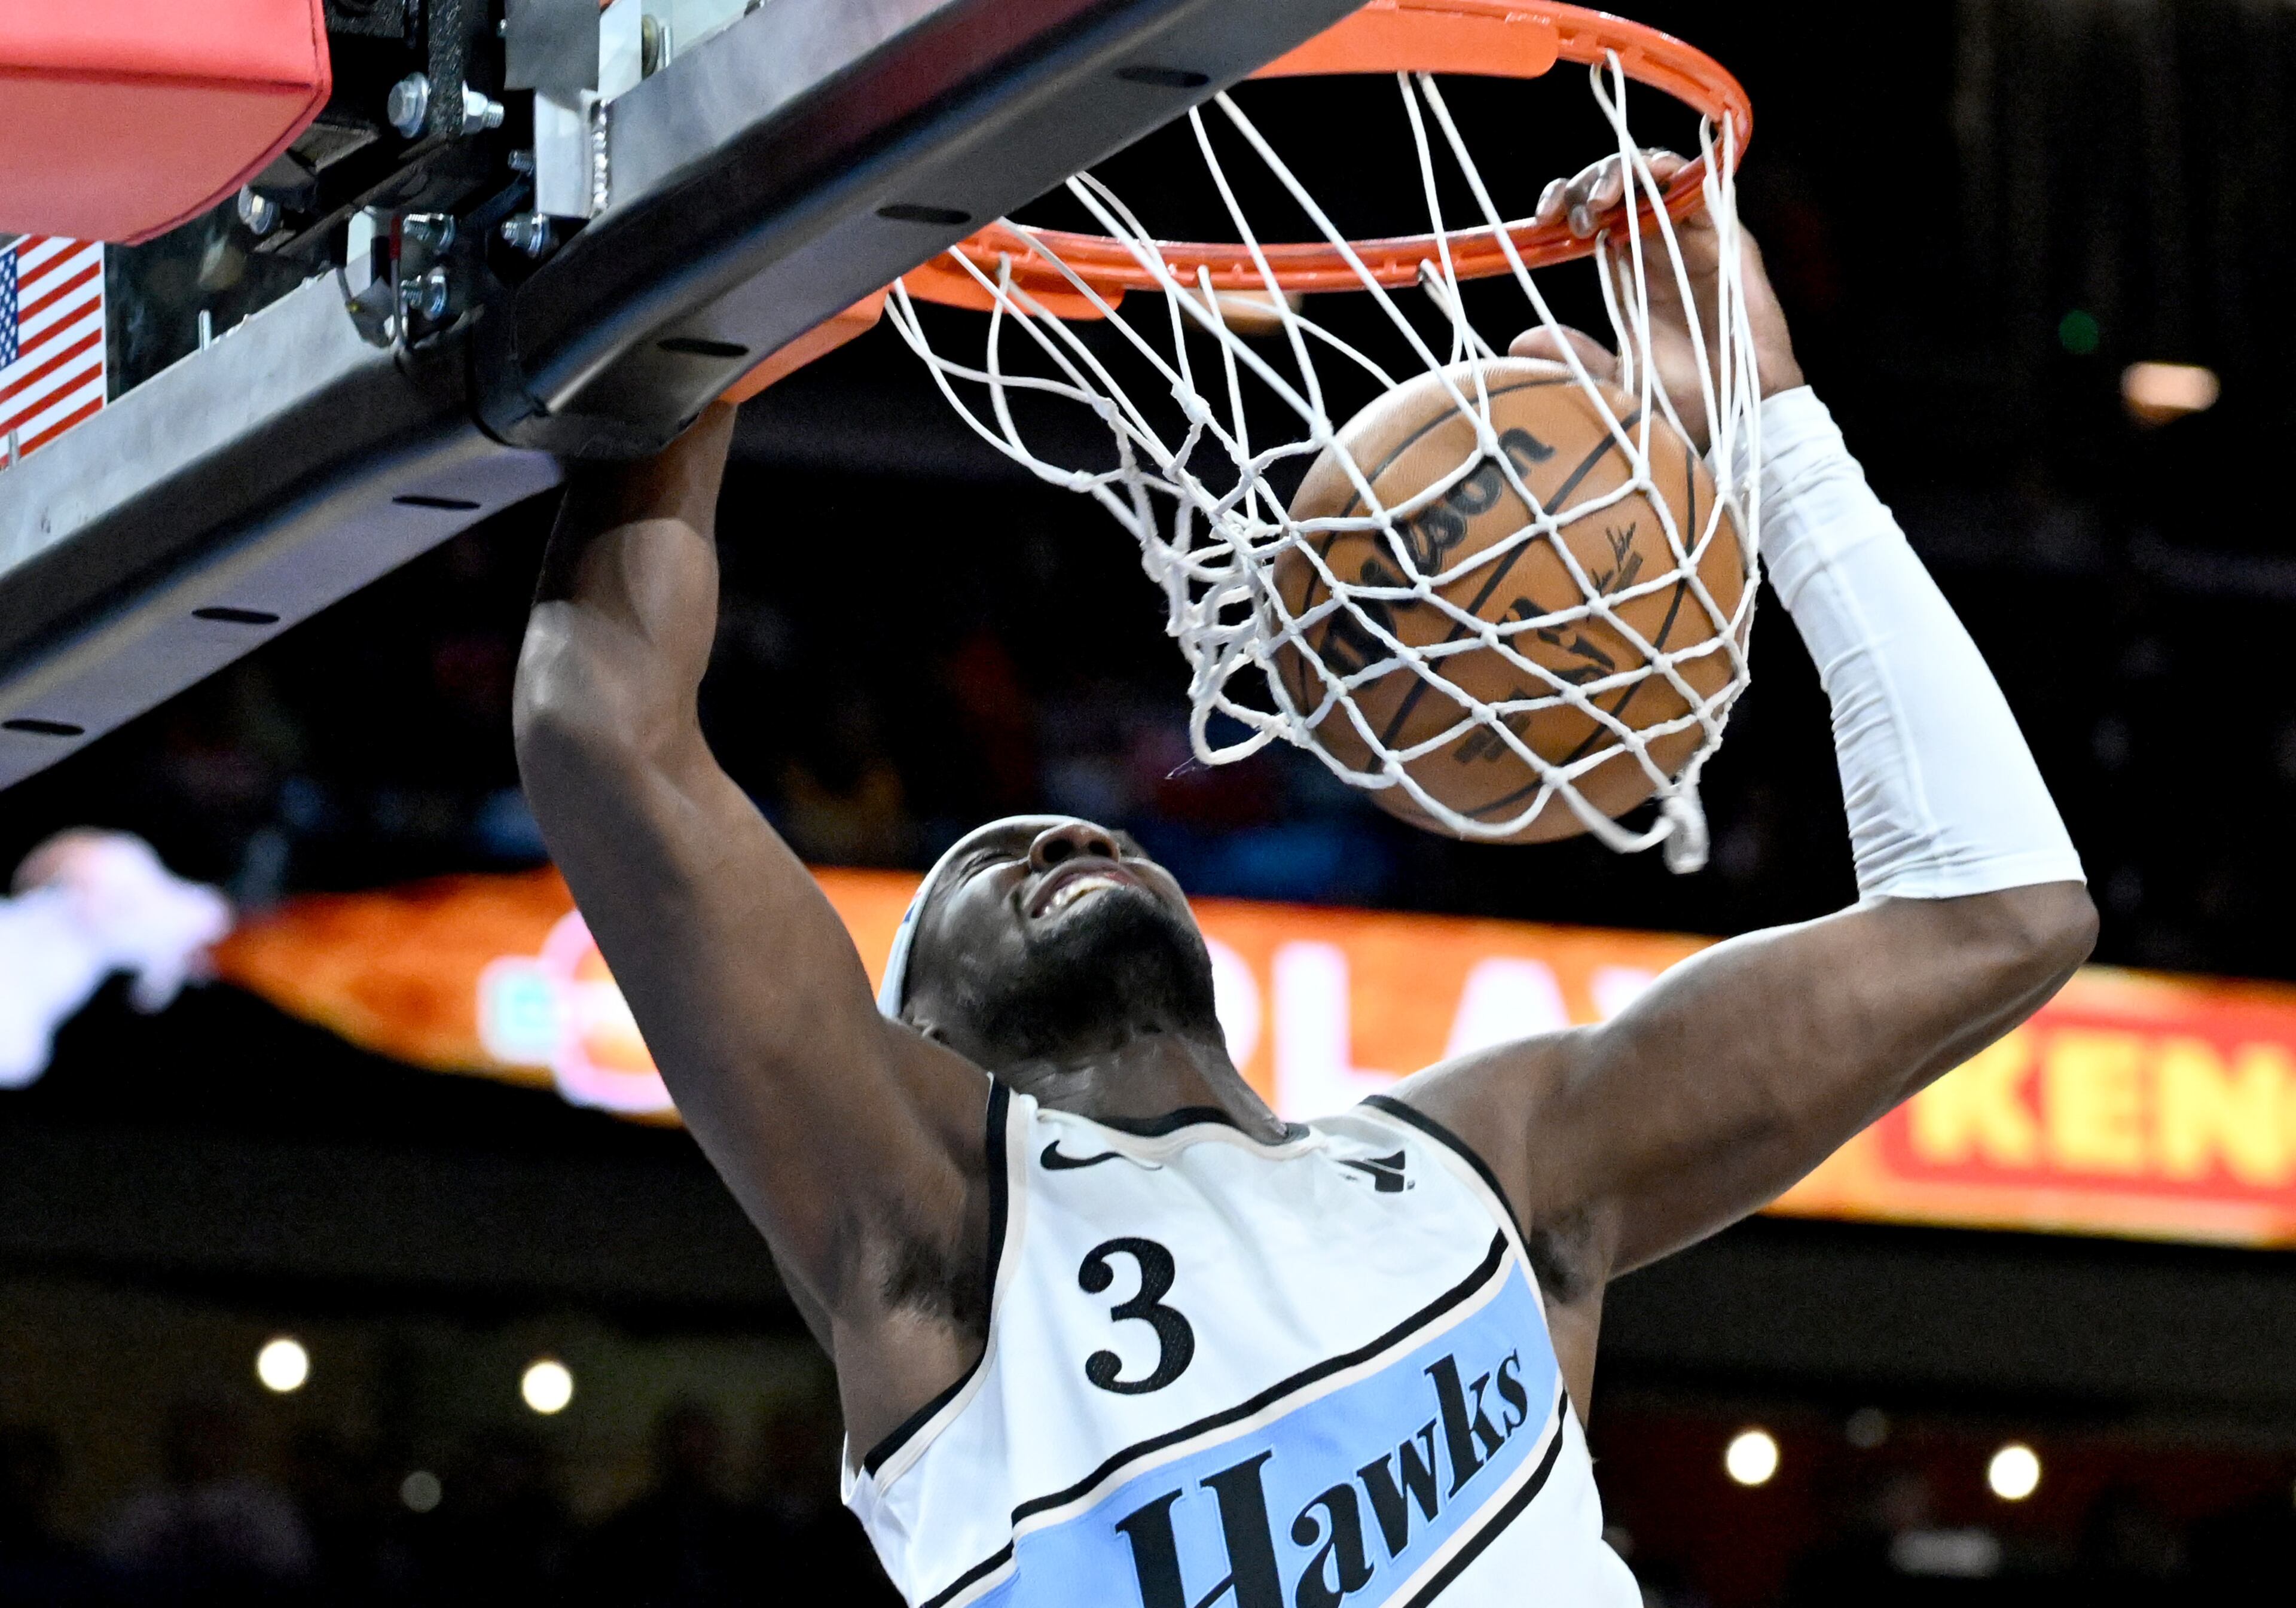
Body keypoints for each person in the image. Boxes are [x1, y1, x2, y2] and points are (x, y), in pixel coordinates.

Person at [512, 152, 2094, 1608]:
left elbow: (2003, 914)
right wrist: (717, 254)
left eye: (1075, 833)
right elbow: (599, 723)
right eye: (980, 870)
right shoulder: (939, 1229)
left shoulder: (1495, 1166)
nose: (1057, 838)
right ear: (920, 1048)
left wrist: (1774, 443)